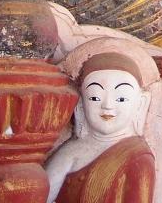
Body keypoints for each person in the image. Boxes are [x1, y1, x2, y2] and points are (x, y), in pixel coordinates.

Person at [44, 52, 156, 203]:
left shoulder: (138, 159)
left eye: (121, 99)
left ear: (140, 103)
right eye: (95, 97)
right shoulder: (70, 151)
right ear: (81, 103)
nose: (107, 105)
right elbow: (42, 196)